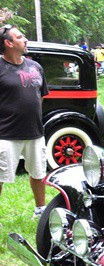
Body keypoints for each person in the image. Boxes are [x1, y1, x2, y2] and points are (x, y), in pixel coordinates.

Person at [0, 25, 49, 217]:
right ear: (8, 43)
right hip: (5, 134)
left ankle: (40, 210)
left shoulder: (35, 67)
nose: (25, 39)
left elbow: (40, 96)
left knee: (38, 172)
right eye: (20, 37)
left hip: (34, 131)